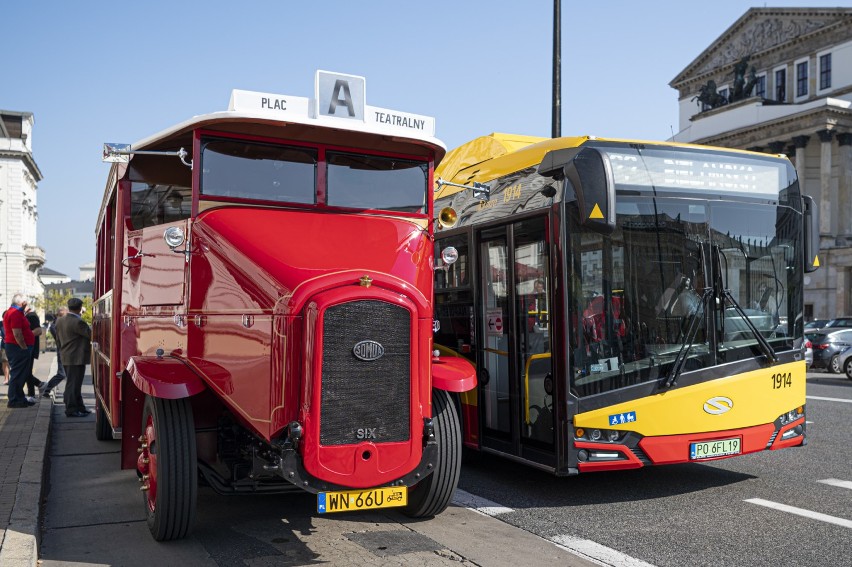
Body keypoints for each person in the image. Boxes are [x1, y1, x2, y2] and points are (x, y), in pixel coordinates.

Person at [55, 298, 91, 417]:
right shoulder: (78, 322)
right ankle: (71, 409)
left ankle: (80, 407)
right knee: (73, 384)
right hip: (76, 357)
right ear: (80, 308)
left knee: (74, 383)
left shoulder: (60, 320)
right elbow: (90, 334)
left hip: (66, 355)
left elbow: (57, 339)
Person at [3, 294, 37, 408]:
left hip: (16, 347)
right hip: (18, 348)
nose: (27, 304)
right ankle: (14, 400)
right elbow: (17, 333)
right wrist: (24, 347)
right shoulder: (15, 313)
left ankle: (19, 397)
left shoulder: (14, 312)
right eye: (26, 302)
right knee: (18, 374)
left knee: (21, 374)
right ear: (22, 303)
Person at [40, 307, 68, 399]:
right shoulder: (54, 326)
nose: (62, 317)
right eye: (60, 316)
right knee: (61, 374)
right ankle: (46, 389)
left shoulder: (65, 323)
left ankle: (70, 396)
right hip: (62, 352)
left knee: (69, 375)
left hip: (68, 352)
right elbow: (61, 338)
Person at [24, 304, 44, 402]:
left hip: (30, 347)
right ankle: (37, 387)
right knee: (26, 372)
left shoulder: (31, 316)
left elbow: (38, 330)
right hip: (29, 347)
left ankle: (34, 391)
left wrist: (26, 336)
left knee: (26, 372)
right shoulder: (29, 315)